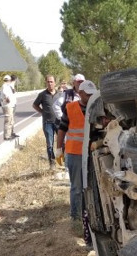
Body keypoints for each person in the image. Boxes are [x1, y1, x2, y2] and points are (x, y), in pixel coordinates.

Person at [56, 80, 97, 244]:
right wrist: (59, 148)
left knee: (91, 186)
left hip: (92, 153)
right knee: (77, 187)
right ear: (80, 93)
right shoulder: (71, 108)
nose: (90, 97)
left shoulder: (96, 108)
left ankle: (89, 212)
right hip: (75, 153)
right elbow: (62, 129)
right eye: (88, 94)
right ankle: (76, 217)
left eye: (92, 94)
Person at [32, 75, 61, 169]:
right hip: (47, 123)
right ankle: (52, 164)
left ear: (55, 83)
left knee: (61, 143)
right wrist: (42, 112)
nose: (50, 83)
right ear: (46, 83)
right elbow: (35, 105)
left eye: (51, 81)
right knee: (50, 144)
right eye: (48, 81)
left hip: (59, 122)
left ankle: (62, 161)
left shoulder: (60, 94)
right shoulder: (42, 94)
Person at [1, 74, 18, 140]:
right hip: (7, 106)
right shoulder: (5, 85)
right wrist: (7, 98)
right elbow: (5, 93)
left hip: (10, 105)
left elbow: (13, 92)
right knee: (8, 120)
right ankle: (7, 136)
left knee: (11, 120)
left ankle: (10, 133)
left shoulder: (8, 86)